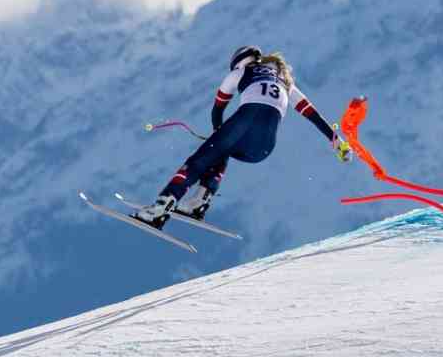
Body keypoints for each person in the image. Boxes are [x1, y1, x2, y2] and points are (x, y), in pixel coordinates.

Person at [134, 45, 352, 228]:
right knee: (223, 150)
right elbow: (313, 115)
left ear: (240, 62)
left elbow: (218, 109)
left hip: (246, 120)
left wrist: (216, 137)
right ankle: (200, 201)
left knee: (199, 161)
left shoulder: (241, 72)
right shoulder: (286, 82)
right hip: (264, 147)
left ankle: (160, 208)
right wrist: (337, 142)